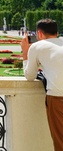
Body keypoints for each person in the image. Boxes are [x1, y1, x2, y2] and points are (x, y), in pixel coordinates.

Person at [22, 19, 63, 150]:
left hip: (58, 97)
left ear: (39, 34)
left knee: (60, 140)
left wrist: (25, 52)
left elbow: (30, 76)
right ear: (57, 32)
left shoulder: (37, 46)